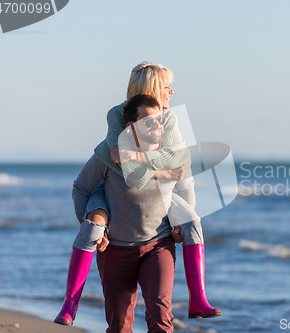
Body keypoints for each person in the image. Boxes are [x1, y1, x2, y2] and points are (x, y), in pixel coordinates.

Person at [54, 63, 221, 327]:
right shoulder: (112, 141)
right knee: (119, 324)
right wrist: (93, 229)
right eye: (167, 86)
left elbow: (184, 178)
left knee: (161, 318)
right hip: (116, 246)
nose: (172, 91)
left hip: (159, 243)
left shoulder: (171, 129)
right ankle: (69, 304)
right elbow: (85, 185)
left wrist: (180, 218)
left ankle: (198, 299)